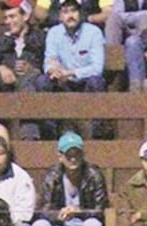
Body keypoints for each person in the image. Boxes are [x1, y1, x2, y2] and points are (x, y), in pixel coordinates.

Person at [38, 0, 108, 138]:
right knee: (42, 81)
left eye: (74, 11)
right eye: (65, 11)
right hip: (63, 83)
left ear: (81, 13)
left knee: (97, 81)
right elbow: (49, 60)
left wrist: (71, 73)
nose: (70, 15)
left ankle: (97, 133)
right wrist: (53, 69)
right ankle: (49, 133)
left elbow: (97, 68)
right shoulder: (53, 33)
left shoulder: (94, 32)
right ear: (59, 16)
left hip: (85, 83)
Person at [0, 0, 47, 98]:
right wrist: (0, 68)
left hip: (31, 82)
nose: (8, 22)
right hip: (6, 82)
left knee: (31, 82)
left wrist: (33, 69)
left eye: (12, 17)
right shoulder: (1, 39)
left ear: (25, 16)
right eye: (6, 18)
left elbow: (48, 63)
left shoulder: (40, 38)